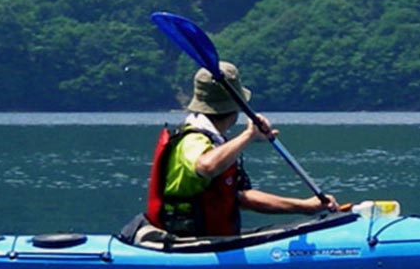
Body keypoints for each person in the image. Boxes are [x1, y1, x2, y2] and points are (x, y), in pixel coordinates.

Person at [141, 61, 337, 239]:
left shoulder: (215, 141)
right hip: (187, 241)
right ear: (236, 107)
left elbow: (242, 197)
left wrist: (305, 206)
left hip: (214, 237)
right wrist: (248, 135)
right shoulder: (192, 139)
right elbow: (207, 166)